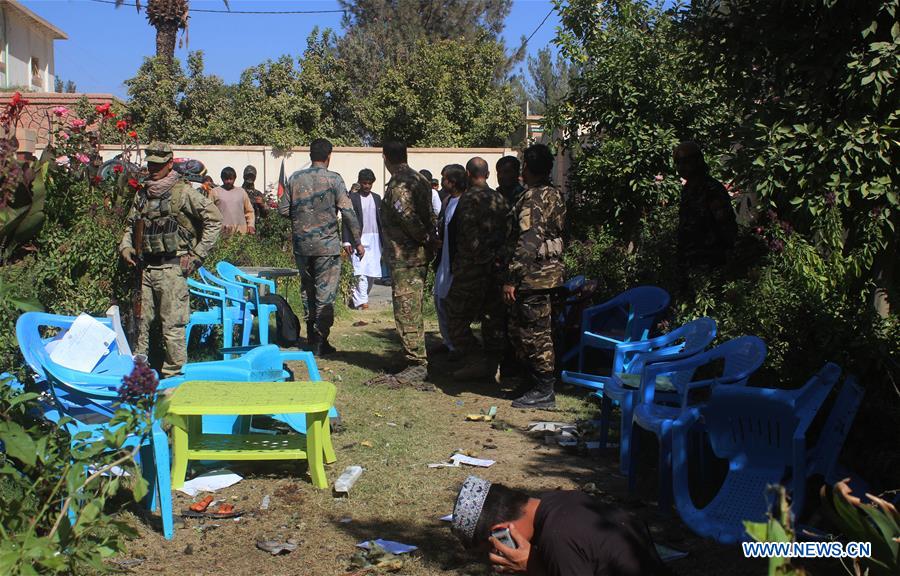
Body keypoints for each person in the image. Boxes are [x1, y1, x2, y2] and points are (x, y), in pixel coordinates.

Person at [119, 142, 222, 377]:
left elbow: (214, 220)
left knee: (173, 327)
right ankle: (139, 375)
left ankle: (173, 377)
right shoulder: (143, 194)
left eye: (158, 164)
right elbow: (131, 225)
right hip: (144, 268)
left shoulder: (183, 192)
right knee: (140, 323)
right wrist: (125, 247)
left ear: (169, 164)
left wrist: (197, 255)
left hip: (172, 269)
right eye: (150, 164)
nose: (153, 168)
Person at [451, 476, 670, 576]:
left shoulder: (558, 541)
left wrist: (533, 569)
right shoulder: (560, 501)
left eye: (489, 551)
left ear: (501, 532)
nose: (494, 558)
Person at [278, 138, 364, 355]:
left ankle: (311, 336)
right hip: (327, 247)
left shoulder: (295, 179)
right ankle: (319, 340)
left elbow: (282, 209)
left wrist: (303, 217)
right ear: (328, 156)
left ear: (310, 155)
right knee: (325, 295)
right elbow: (348, 212)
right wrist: (357, 241)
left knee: (308, 291)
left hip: (302, 245)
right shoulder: (334, 179)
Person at [502, 144, 565, 409]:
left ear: (528, 167)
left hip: (534, 277)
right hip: (546, 275)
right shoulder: (554, 194)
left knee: (535, 334)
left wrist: (512, 278)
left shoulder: (534, 198)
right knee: (527, 331)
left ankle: (543, 390)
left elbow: (530, 239)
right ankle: (532, 382)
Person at [447, 157, 511, 381]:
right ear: (488, 174)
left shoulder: (469, 199)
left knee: (454, 316)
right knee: (492, 319)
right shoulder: (500, 199)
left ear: (467, 173)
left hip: (472, 269)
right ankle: (494, 364)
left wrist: (482, 259)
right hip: (496, 268)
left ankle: (477, 361)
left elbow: (469, 235)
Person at [380, 142, 438, 384]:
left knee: (407, 310)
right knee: (411, 308)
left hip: (406, 257)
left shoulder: (399, 184)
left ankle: (416, 363)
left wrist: (424, 238)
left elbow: (408, 217)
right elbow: (431, 214)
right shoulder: (420, 180)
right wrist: (430, 239)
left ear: (386, 158)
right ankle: (411, 355)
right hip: (415, 256)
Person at [673, 141, 737, 269]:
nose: (680, 167)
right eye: (677, 162)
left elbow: (726, 225)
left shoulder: (712, 189)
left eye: (685, 161)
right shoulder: (688, 190)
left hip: (710, 261)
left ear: (697, 161)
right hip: (689, 261)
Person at [432, 164, 467, 356]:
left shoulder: (467, 202)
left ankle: (459, 346)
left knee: (454, 307)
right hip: (443, 260)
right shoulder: (446, 201)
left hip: (457, 264)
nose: (442, 182)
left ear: (452, 182)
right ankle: (448, 342)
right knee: (440, 301)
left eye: (444, 178)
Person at [343, 168, 383, 310]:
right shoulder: (352, 198)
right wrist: (347, 240)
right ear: (359, 182)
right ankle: (362, 302)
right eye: (364, 183)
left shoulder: (377, 198)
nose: (367, 186)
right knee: (360, 271)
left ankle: (359, 298)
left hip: (375, 238)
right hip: (358, 239)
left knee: (372, 272)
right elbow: (347, 220)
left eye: (369, 183)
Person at [209, 166, 255, 235]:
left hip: (240, 233)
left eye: (231, 179)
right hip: (222, 232)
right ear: (222, 178)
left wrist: (251, 225)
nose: (228, 181)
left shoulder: (241, 192)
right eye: (226, 179)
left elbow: (249, 211)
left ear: (235, 178)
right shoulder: (215, 192)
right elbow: (209, 212)